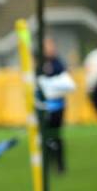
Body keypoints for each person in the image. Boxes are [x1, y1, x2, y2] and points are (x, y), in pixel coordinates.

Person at [40, 36, 72, 174]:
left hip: (58, 106)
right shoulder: (41, 63)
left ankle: (59, 166)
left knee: (56, 136)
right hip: (44, 106)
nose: (50, 49)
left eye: (51, 45)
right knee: (45, 137)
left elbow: (65, 80)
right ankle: (46, 164)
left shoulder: (58, 63)